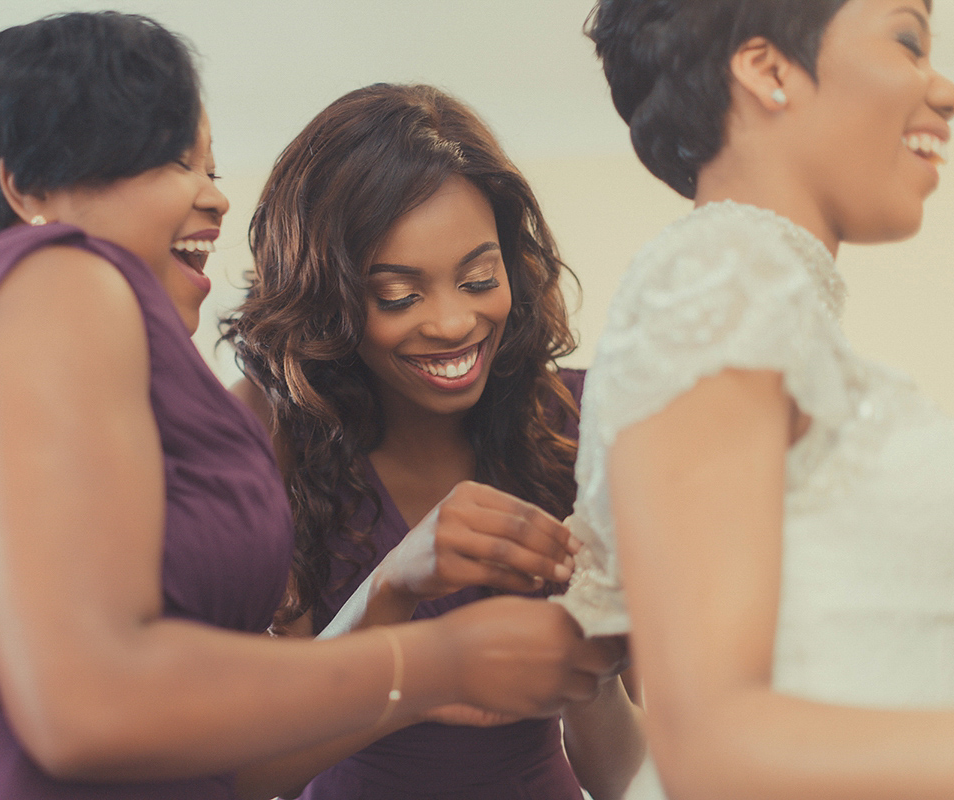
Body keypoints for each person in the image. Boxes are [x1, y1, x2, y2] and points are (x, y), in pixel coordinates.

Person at [0, 14, 622, 800]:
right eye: (179, 162)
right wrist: (432, 658)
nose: (215, 196)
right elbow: (89, 697)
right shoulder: (65, 284)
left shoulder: (16, 337)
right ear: (28, 190)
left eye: (211, 166)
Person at [554, 0, 954, 798]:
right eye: (909, 41)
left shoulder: (756, 298)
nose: (945, 91)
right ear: (768, 69)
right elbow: (711, 746)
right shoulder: (717, 279)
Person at [226, 83, 645, 800]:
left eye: (480, 278)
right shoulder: (267, 432)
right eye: (399, 295)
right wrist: (389, 589)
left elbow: (636, 779)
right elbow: (241, 769)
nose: (453, 324)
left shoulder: (586, 421)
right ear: (327, 295)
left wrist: (587, 669)